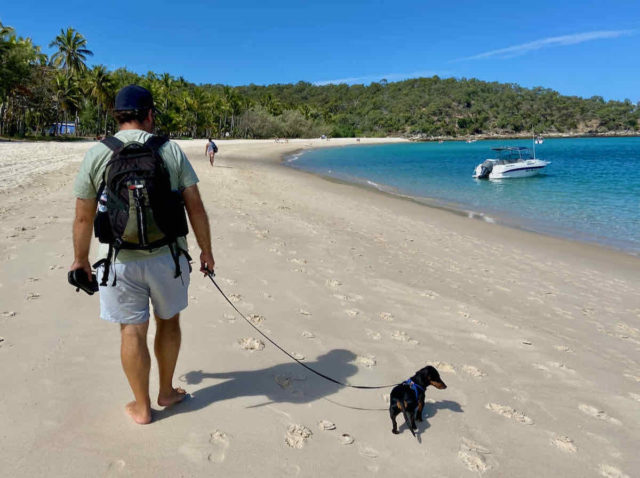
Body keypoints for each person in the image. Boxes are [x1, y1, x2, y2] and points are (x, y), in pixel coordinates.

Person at [70, 85, 215, 425]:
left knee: (131, 331)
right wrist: (206, 250)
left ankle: (141, 406)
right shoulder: (170, 150)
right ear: (149, 114)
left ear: (117, 115)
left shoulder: (98, 153)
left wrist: (80, 259)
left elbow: (82, 216)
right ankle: (166, 392)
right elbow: (195, 208)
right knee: (168, 322)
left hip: (117, 261)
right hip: (168, 257)